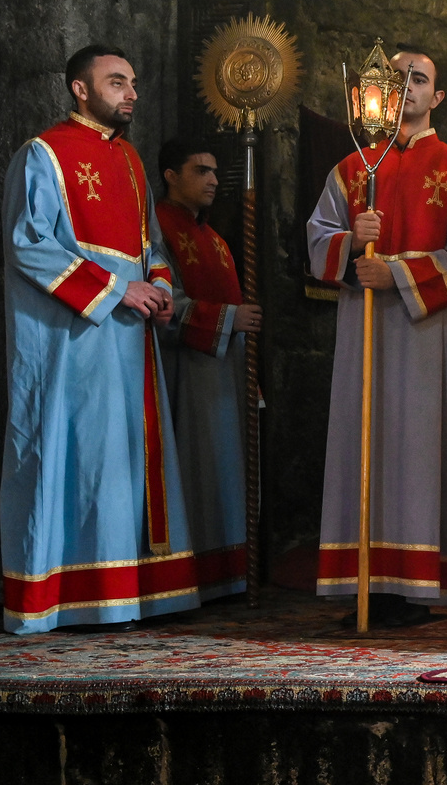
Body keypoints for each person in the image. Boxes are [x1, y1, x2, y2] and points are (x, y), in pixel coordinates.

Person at [1, 44, 200, 633]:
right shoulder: (44, 153)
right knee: (75, 453)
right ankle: (63, 595)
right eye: (117, 82)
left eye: (133, 82)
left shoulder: (134, 162)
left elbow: (152, 247)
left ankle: (130, 593)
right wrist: (117, 291)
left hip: (130, 335)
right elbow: (28, 243)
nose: (131, 92)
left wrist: (159, 287)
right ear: (80, 89)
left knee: (125, 460)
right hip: (72, 339)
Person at [306, 46, 447, 627]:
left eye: (418, 79)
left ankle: (417, 586)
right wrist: (347, 241)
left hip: (428, 334)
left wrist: (397, 272)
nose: (404, 87)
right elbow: (317, 240)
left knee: (422, 445)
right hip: (363, 331)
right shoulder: (351, 169)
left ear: (436, 97)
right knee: (361, 443)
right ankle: (364, 583)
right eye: (394, 78)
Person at [156, 139, 262, 601]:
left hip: (225, 377)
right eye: (201, 169)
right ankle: (190, 578)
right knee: (194, 472)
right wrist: (226, 320)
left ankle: (230, 574)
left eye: (217, 172)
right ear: (170, 175)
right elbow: (162, 303)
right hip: (187, 375)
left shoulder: (215, 240)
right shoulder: (158, 229)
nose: (214, 180)